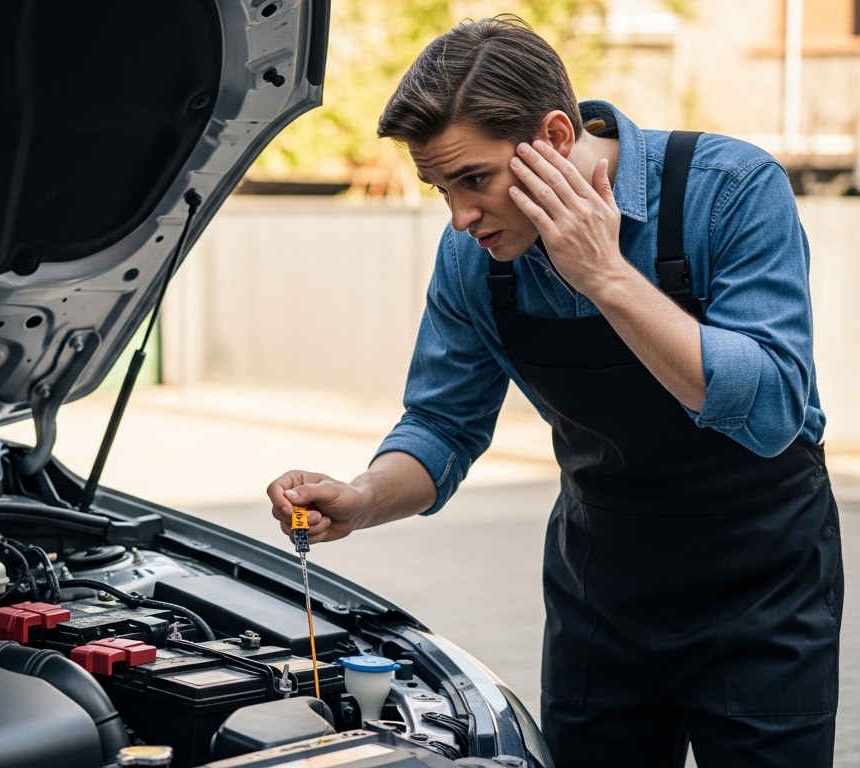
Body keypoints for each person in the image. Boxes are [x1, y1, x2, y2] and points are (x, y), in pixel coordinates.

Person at [266, 16, 841, 768]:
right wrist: (363, 496)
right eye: (441, 189)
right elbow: (442, 424)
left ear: (558, 139)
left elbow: (768, 413)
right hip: (601, 594)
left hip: (762, 590)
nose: (461, 217)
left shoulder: (729, 191)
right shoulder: (473, 258)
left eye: (474, 179)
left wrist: (604, 275)